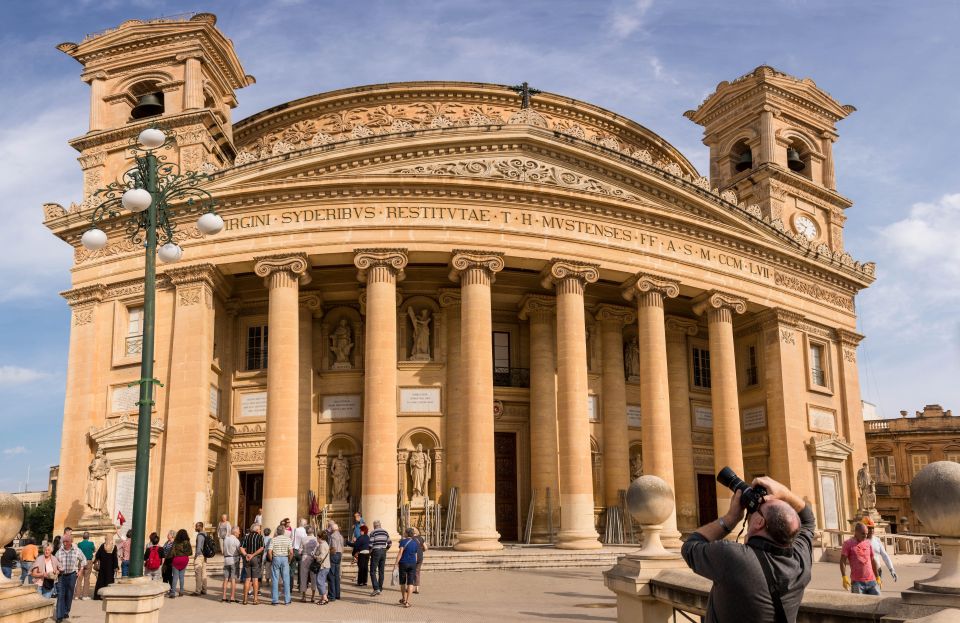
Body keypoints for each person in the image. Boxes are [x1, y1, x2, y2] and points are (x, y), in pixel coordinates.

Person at [681, 475, 815, 623]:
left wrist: (730, 518)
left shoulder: (732, 557)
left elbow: (689, 547)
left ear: (759, 522)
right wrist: (785, 494)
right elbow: (807, 519)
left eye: (756, 509)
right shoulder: (801, 562)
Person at [54, 531, 87, 623]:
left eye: (66, 542)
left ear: (71, 542)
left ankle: (66, 611)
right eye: (64, 542)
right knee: (60, 595)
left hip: (72, 575)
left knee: (69, 594)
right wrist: (56, 569)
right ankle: (59, 616)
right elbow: (55, 562)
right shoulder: (59, 551)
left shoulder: (77, 550)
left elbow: (84, 560)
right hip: (61, 575)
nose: (65, 543)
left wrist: (80, 570)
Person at [841, 522, 881, 595]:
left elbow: (872, 560)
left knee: (879, 602)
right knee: (858, 605)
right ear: (856, 532)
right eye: (863, 533)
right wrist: (844, 576)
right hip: (857, 582)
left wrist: (877, 577)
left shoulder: (868, 543)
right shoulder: (848, 543)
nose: (865, 536)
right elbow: (842, 561)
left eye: (866, 533)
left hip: (872, 581)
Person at [861, 517, 898, 582]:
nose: (871, 530)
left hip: (877, 572)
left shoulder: (877, 540)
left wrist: (891, 569)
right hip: (864, 573)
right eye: (869, 528)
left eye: (872, 528)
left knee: (876, 591)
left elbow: (885, 555)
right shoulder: (859, 542)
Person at [393, 528, 420, 608]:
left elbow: (400, 553)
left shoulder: (403, 542)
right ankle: (408, 601)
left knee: (402, 582)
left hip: (403, 563)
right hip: (412, 563)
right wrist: (415, 563)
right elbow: (416, 554)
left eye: (404, 532)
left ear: (407, 534)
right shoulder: (415, 543)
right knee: (410, 582)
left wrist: (396, 563)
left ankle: (404, 598)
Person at [269, 523, 294, 605]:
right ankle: (287, 600)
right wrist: (289, 560)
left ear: (277, 531)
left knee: (275, 580)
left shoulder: (273, 539)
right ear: (283, 531)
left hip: (276, 558)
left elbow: (269, 552)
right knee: (286, 580)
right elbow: (291, 552)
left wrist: (271, 559)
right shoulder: (288, 539)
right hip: (285, 558)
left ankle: (275, 600)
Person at [239, 523, 264, 605]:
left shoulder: (246, 537)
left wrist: (246, 555)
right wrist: (253, 555)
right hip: (256, 558)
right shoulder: (260, 537)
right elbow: (262, 548)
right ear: (257, 530)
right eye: (259, 529)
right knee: (255, 579)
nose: (260, 530)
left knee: (247, 579)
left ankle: (245, 599)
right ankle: (255, 599)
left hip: (247, 558)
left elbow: (241, 548)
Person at [92, 533, 119, 599]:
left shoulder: (102, 546)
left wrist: (96, 561)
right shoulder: (113, 547)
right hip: (110, 567)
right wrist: (116, 566)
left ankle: (98, 596)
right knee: (109, 581)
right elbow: (115, 558)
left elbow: (98, 555)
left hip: (103, 567)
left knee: (101, 581)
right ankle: (108, 595)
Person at [166, 529, 192, 598]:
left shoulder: (175, 542)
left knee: (175, 577)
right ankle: (181, 591)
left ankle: (173, 593)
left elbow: (172, 552)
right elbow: (190, 553)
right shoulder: (187, 542)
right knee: (182, 576)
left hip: (176, 559)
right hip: (184, 559)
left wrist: (167, 558)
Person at [368, 519, 391, 596]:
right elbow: (390, 543)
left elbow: (370, 544)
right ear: (380, 525)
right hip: (383, 551)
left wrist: (369, 551)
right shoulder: (385, 532)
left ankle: (376, 588)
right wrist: (386, 549)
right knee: (381, 571)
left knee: (372, 571)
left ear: (374, 526)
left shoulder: (373, 532)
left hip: (376, 551)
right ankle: (380, 588)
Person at [221, 526, 241, 603]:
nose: (239, 533)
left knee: (226, 578)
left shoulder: (226, 539)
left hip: (226, 559)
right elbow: (239, 550)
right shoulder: (236, 540)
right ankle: (232, 597)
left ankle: (224, 596)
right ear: (235, 532)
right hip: (234, 560)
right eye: (239, 531)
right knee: (233, 579)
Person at [299, 526, 318, 602]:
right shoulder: (316, 539)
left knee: (303, 577)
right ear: (313, 531)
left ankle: (304, 596)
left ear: (306, 532)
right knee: (313, 577)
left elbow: (300, 550)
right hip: (313, 558)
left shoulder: (303, 539)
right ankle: (313, 596)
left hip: (304, 557)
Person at [75, 532, 95, 599]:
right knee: (87, 578)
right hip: (88, 561)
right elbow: (94, 550)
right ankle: (85, 595)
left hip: (81, 562)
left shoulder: (79, 544)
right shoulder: (91, 543)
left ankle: (77, 595)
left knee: (79, 579)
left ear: (83, 537)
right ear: (88, 537)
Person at [312, 531, 331, 605]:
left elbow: (321, 556)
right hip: (326, 565)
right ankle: (323, 597)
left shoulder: (322, 545)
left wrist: (315, 556)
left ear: (320, 538)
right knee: (322, 581)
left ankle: (325, 598)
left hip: (323, 566)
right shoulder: (325, 543)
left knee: (319, 581)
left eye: (317, 537)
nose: (317, 538)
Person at [326, 521, 343, 601]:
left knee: (331, 575)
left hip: (334, 554)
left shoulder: (332, 536)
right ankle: (337, 594)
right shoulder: (341, 536)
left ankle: (332, 595)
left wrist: (329, 552)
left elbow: (333, 548)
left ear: (332, 529)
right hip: (339, 555)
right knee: (337, 575)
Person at [292, 518, 308, 591]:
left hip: (295, 550)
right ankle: (300, 586)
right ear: (304, 524)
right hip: (302, 551)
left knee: (292, 568)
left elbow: (292, 540)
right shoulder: (305, 531)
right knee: (301, 569)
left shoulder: (295, 530)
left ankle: (290, 586)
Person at [193, 522, 208, 596]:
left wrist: (196, 555)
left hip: (199, 556)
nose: (195, 528)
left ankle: (198, 591)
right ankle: (204, 589)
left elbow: (199, 547)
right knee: (204, 573)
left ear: (200, 527)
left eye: (196, 526)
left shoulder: (199, 536)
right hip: (204, 556)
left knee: (198, 573)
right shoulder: (205, 534)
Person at [412, 526, 427, 594]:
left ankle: (409, 588)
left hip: (412, 557)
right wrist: (421, 550)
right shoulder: (420, 538)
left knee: (411, 572)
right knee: (417, 572)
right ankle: (417, 588)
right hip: (420, 556)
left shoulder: (410, 539)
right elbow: (426, 548)